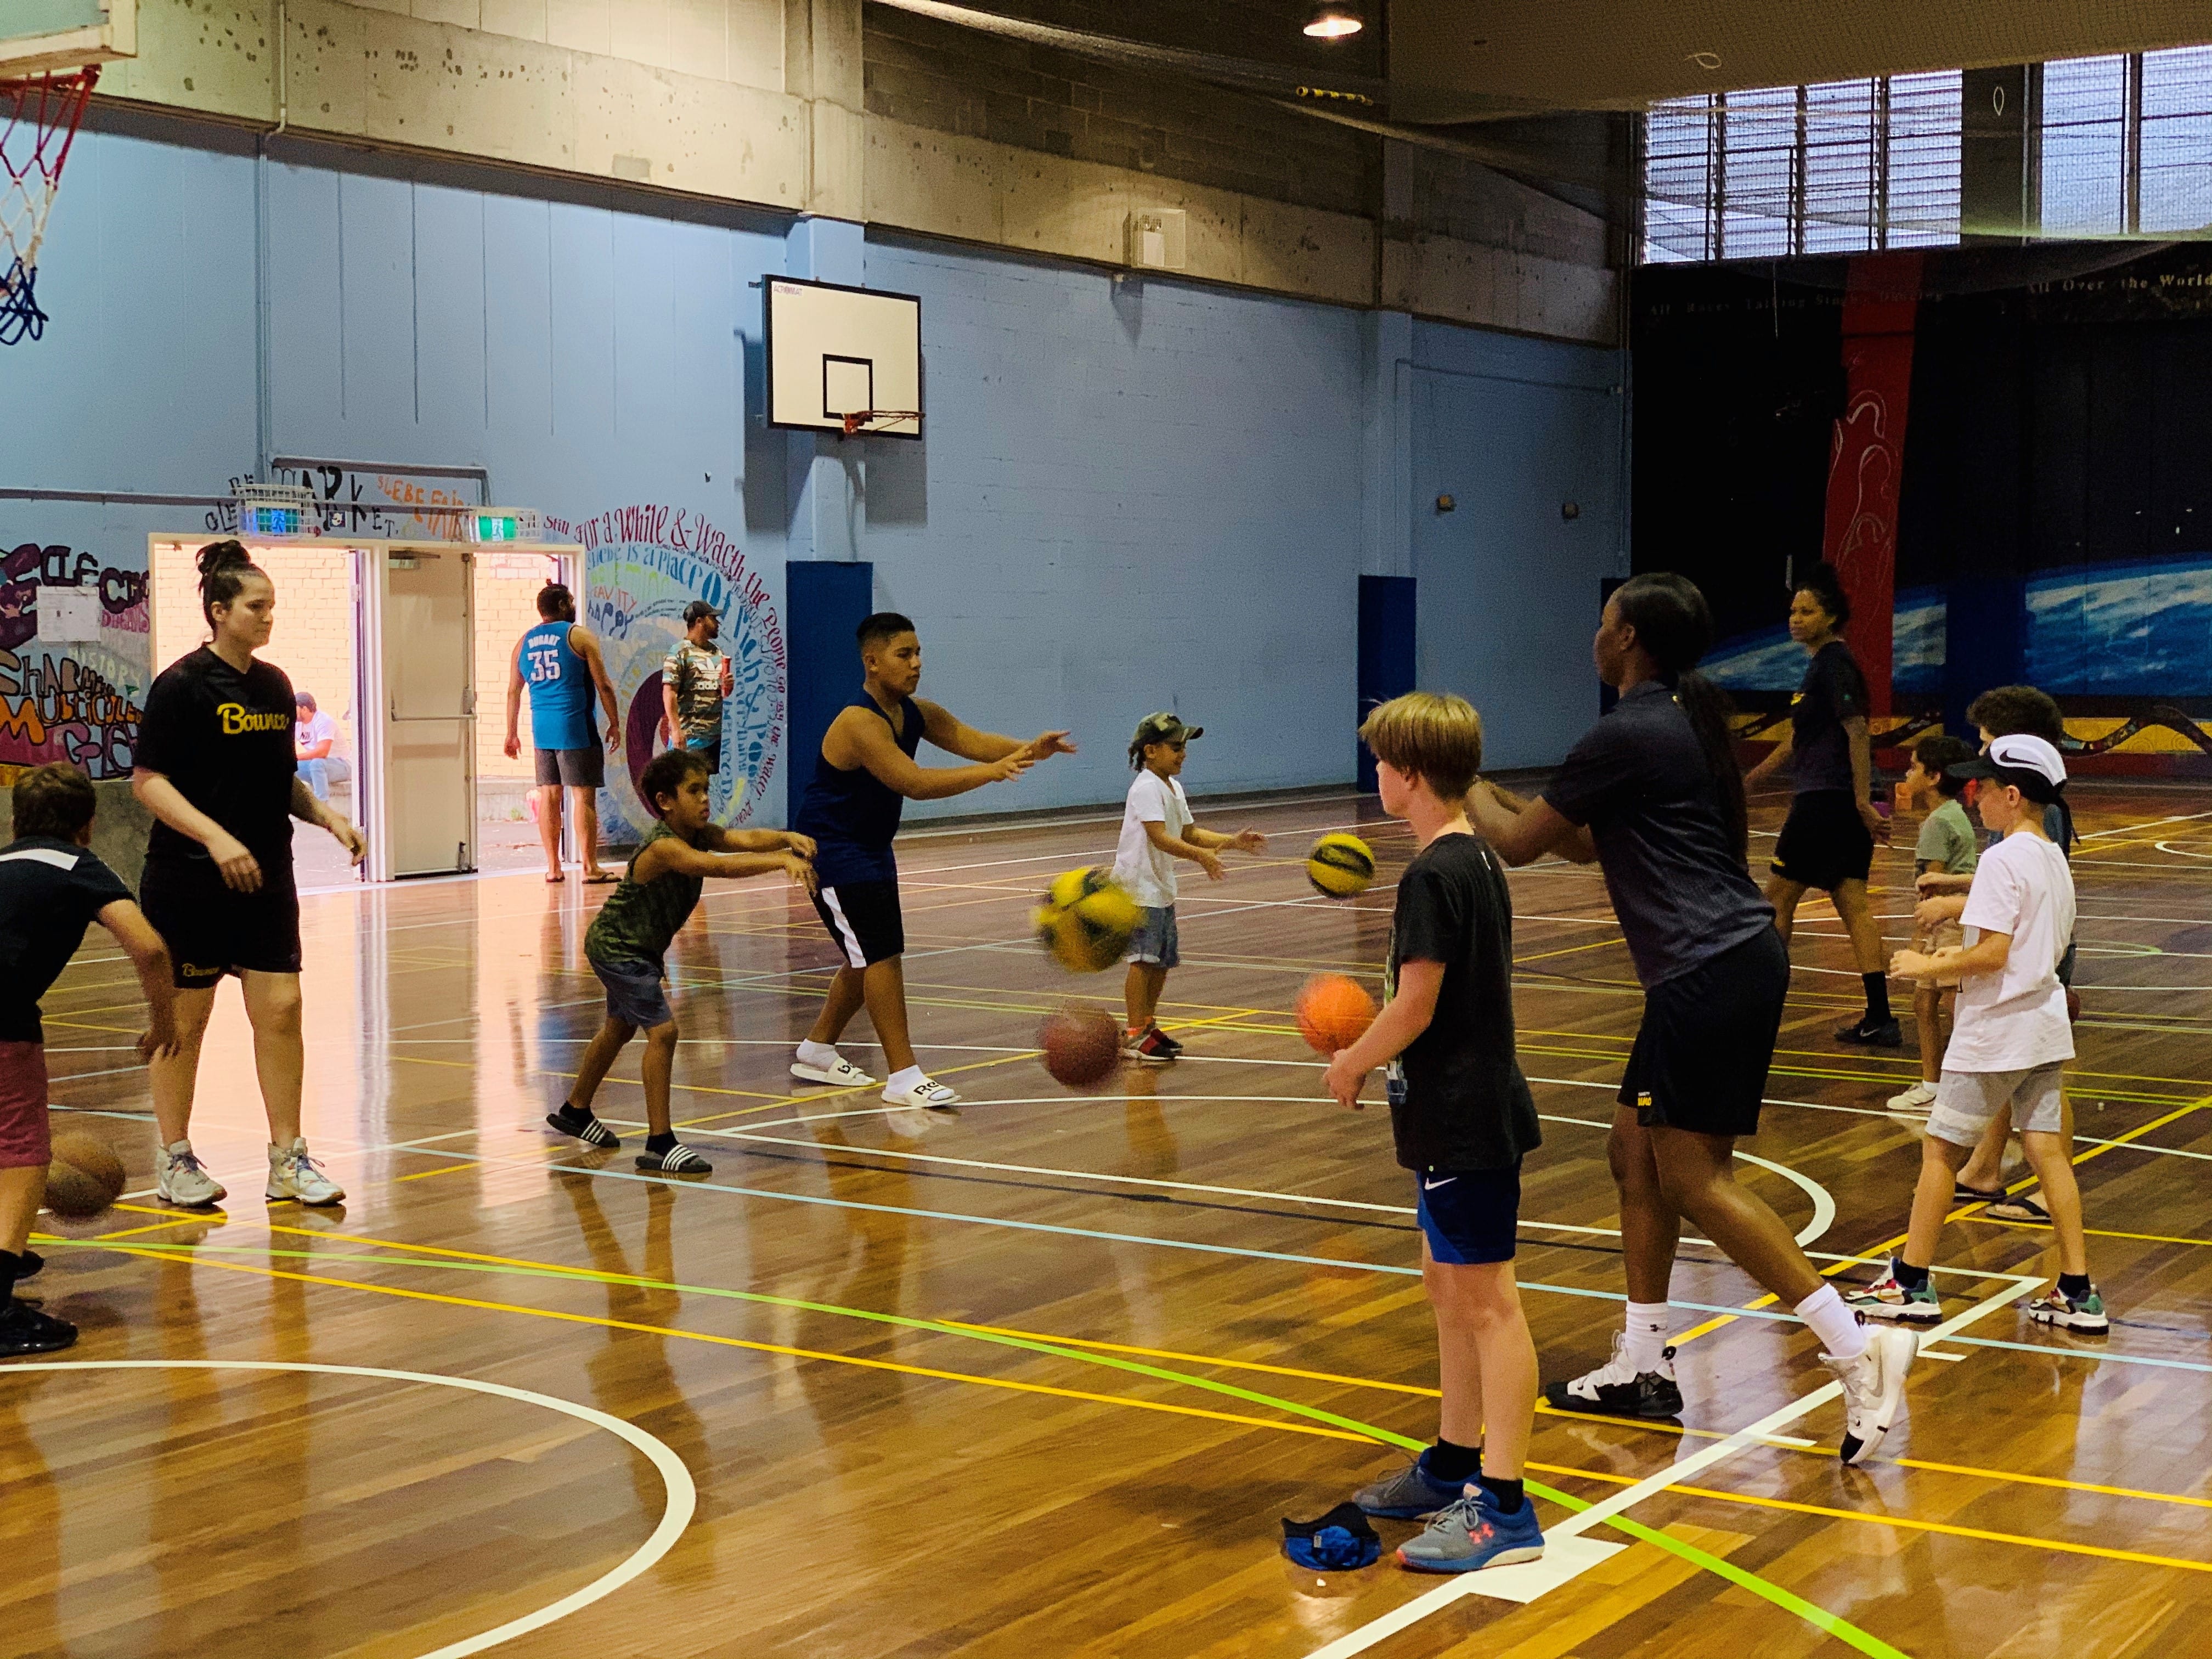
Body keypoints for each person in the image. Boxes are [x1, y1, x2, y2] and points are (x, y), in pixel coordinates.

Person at [1468, 572, 1916, 1465]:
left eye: (1604, 623)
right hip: (1715, 965)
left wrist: (1458, 784)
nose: (1595, 637)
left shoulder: (1629, 727)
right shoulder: (1676, 721)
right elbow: (1584, 841)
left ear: (1628, 637)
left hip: (1708, 969)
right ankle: (1643, 1362)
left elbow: (1516, 846)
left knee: (1693, 1177)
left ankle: (1855, 1343)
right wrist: (1496, 796)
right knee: (1632, 1152)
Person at [1327, 691, 1545, 1572]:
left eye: (1384, 761)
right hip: (1449, 1116)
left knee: (1490, 1306)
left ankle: (1506, 1507)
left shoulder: (1434, 874)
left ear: (1410, 773)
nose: (1376, 773)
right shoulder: (1473, 856)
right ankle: (1453, 1461)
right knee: (1448, 1290)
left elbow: (1415, 1005)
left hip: (1463, 1118)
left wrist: (1352, 1060)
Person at [133, 540, 370, 1209]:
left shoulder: (273, 686)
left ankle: (287, 1159)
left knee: (283, 1009)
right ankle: (176, 1158)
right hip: (189, 880)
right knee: (187, 1020)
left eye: (271, 606)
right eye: (256, 607)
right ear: (219, 611)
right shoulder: (181, 686)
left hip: (266, 876)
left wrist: (329, 817)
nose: (268, 617)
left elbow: (280, 777)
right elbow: (148, 782)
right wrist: (214, 839)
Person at [1846, 735, 2107, 1332]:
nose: (1974, 797)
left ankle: (1911, 1282)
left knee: (1940, 1150)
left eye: (1982, 787)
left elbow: (1994, 953)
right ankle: (2077, 1290)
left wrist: (1926, 965)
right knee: (2048, 1153)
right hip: (2042, 1026)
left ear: (2012, 795)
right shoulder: (2052, 856)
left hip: (1995, 1031)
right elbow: (2026, 932)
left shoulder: (2002, 858)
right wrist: (1957, 925)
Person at [789, 612, 1075, 1110]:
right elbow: (914, 783)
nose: (917, 663)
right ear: (872, 662)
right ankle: (903, 1076)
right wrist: (992, 773)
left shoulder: (916, 712)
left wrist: (1032, 750)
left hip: (871, 847)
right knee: (880, 955)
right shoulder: (859, 722)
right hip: (832, 849)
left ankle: (816, 1050)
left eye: (919, 653)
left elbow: (971, 739)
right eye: (904, 654)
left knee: (865, 955)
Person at [546, 747, 816, 1172]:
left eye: (706, 789)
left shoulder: (697, 833)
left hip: (636, 949)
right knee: (664, 1033)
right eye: (694, 791)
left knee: (618, 1029)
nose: (705, 798)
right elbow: (715, 866)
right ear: (665, 801)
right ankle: (660, 1144)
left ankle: (576, 1110)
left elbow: (741, 840)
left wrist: (786, 838)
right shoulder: (665, 848)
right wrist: (780, 862)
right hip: (619, 948)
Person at [0, 764, 179, 1356]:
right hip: (4, 1021)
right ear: (88, 825)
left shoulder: (3, 862)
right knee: (23, 1154)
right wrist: (164, 1022)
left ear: (16, 822)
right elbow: (150, 948)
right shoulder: (77, 865)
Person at [1916, 686, 2075, 1222]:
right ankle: (1986, 1168)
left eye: (1987, 743)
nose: (1981, 754)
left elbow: (2022, 897)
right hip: (2030, 949)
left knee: (2033, 1070)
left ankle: (2047, 1186)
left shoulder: (2036, 819)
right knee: (2017, 1069)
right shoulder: (2019, 821)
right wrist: (1957, 892)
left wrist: (1931, 960)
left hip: (2034, 957)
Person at [1743, 564, 1897, 1046]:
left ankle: (1758, 1009)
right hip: (1834, 802)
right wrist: (1751, 780)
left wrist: (1861, 801)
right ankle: (1880, 1016)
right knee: (1853, 905)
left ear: (1830, 617)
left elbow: (1857, 732)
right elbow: (1798, 739)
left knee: (1777, 899)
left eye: (1807, 611)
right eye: (1793, 610)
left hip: (1826, 802)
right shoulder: (1819, 668)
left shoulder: (1834, 665)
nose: (1796, 619)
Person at [1111, 713, 1265, 1063]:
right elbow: (1160, 838)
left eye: (1184, 747)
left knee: (1161, 962)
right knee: (1142, 961)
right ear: (1151, 751)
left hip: (1160, 887)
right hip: (1138, 889)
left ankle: (1147, 1025)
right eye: (1175, 746)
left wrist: (1231, 841)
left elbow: (1188, 833)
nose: (1183, 754)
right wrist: (1201, 857)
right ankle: (1134, 1035)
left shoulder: (1172, 787)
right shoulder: (1146, 787)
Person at [505, 582, 622, 884]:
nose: (573, 606)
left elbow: (514, 691)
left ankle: (553, 867)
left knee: (550, 795)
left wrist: (511, 733)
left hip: (542, 729)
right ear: (560, 606)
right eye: (570, 601)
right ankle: (590, 867)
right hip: (574, 726)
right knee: (583, 796)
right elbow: (603, 685)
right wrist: (614, 722)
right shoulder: (578, 636)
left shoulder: (524, 642)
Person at [1886, 735, 1978, 1116]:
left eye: (1914, 767)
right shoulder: (1952, 815)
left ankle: (1955, 1087)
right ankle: (1934, 1086)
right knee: (1925, 1002)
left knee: (1954, 1007)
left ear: (1935, 776)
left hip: (1947, 925)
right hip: (1953, 922)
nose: (1908, 773)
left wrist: (1916, 942)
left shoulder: (1937, 824)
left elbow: (1932, 888)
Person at [662, 600, 733, 780]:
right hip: (689, 737)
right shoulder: (679, 652)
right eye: (713, 619)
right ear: (700, 621)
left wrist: (727, 686)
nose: (717, 623)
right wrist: (676, 730)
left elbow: (721, 692)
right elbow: (669, 693)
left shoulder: (716, 652)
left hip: (713, 737)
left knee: (703, 787)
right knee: (684, 786)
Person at [293, 691, 336, 803]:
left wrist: (295, 757)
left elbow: (322, 752)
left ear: (305, 709)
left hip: (340, 764)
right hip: (317, 766)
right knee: (287, 766)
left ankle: (322, 805)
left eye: (294, 708)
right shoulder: (298, 724)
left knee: (317, 763)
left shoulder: (323, 721)